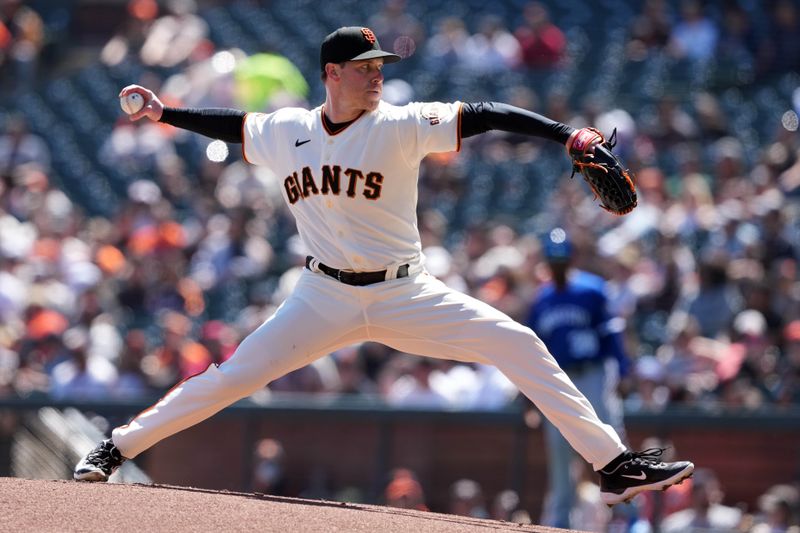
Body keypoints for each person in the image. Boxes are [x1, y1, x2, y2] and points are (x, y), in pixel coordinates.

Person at [73, 25, 694, 507]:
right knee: (232, 378)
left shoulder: (399, 123)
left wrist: (566, 136)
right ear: (331, 74)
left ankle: (614, 467)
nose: (376, 77)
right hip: (321, 296)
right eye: (365, 69)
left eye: (380, 68)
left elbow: (489, 114)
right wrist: (164, 113)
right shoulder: (287, 128)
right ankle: (115, 447)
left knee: (517, 342)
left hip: (407, 292)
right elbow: (233, 126)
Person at [526, 228, 631, 528]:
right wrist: (529, 396)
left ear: (572, 258)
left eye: (561, 259)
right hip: (558, 380)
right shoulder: (542, 298)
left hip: (592, 374)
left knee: (610, 439)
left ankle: (625, 514)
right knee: (560, 452)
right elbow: (530, 348)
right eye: (552, 260)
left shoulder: (592, 289)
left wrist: (622, 371)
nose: (557, 264)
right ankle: (562, 520)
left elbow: (611, 335)